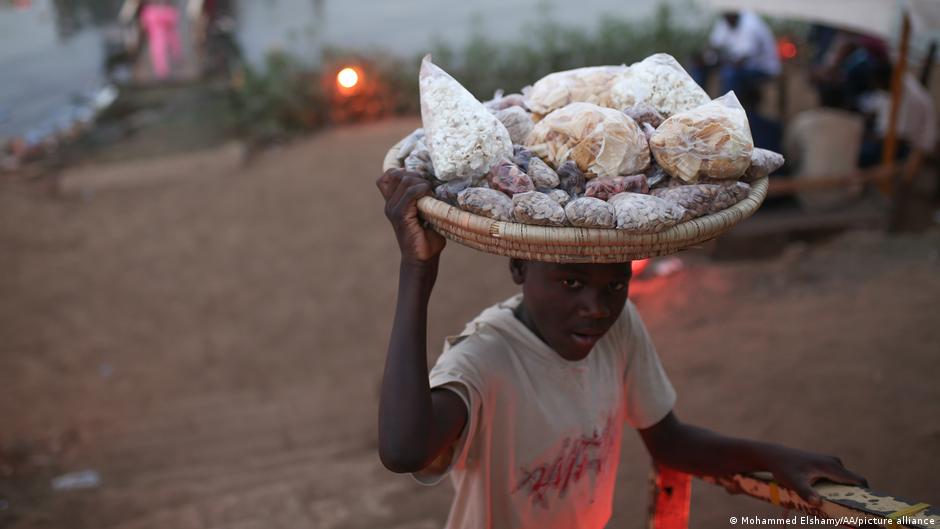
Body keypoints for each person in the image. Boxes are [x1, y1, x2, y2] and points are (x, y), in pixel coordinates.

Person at [375, 169, 868, 528]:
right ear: (519, 268)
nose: (595, 307)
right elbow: (403, 451)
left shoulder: (618, 327)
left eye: (613, 286)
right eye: (570, 281)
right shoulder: (484, 360)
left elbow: (669, 442)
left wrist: (777, 459)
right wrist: (416, 272)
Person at [695, 10, 781, 110]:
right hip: (739, 66)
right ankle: (697, 107)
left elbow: (742, 60)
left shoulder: (751, 23)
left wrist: (718, 60)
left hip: (763, 68)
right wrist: (704, 58)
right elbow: (714, 47)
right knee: (699, 68)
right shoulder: (725, 21)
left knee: (729, 74)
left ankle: (727, 112)